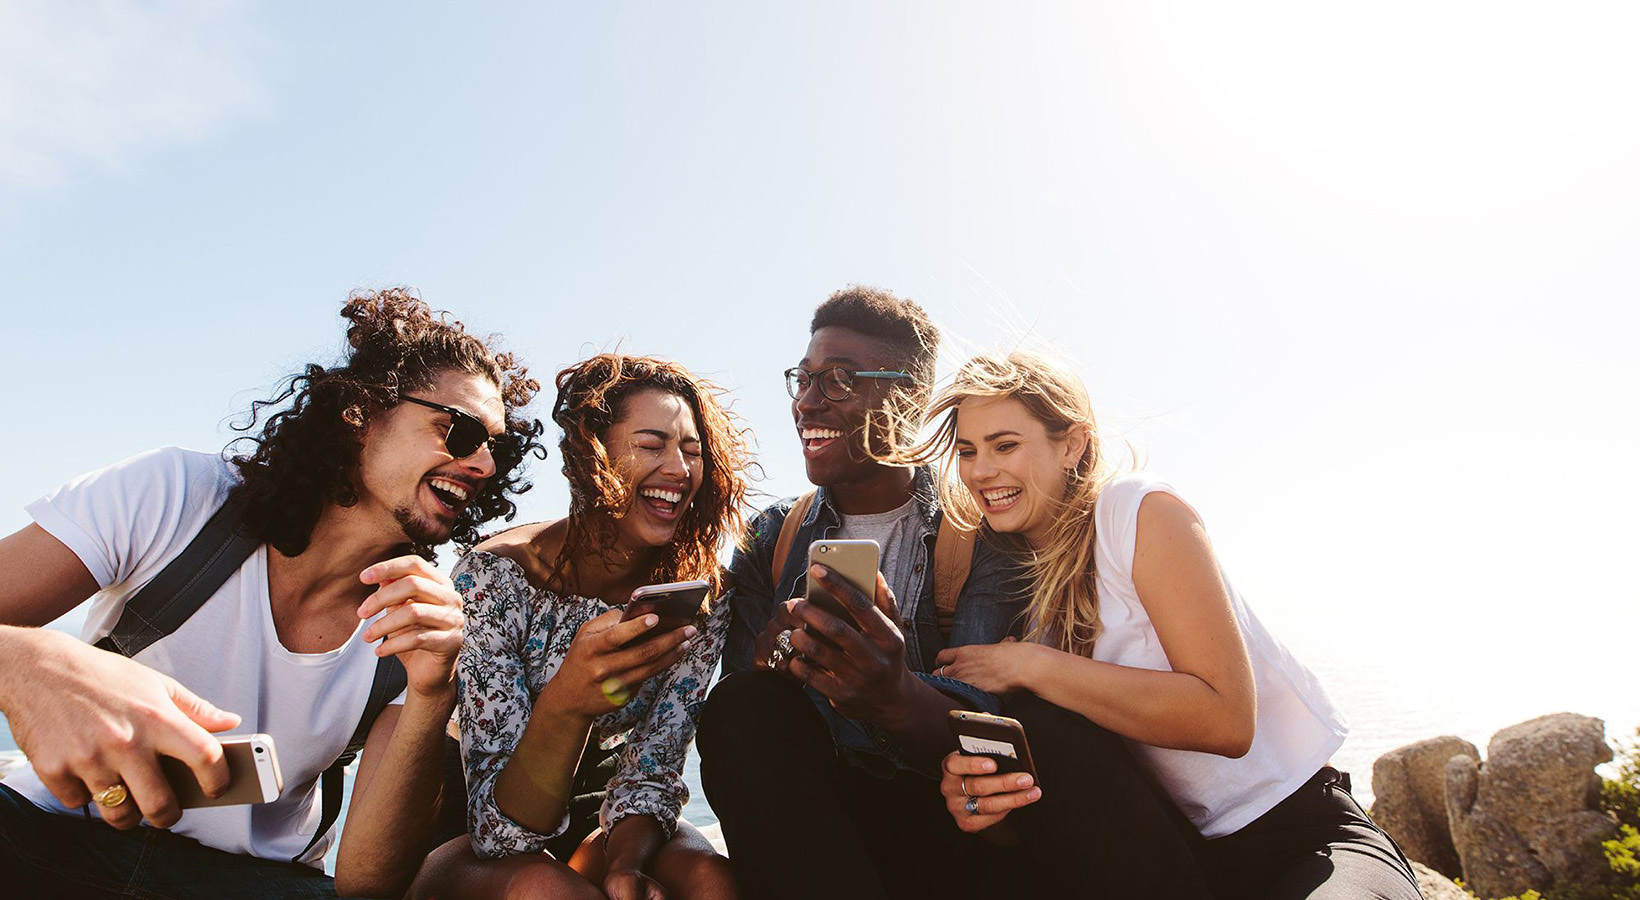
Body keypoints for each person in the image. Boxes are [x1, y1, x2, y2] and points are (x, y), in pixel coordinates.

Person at [0, 289, 544, 899]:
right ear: (360, 414)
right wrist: (31, 661)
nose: (485, 464)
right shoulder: (176, 496)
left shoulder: (423, 619)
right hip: (49, 832)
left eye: (501, 447)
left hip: (254, 882)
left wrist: (432, 692)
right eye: (460, 430)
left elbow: (366, 883)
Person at [695, 287, 1208, 900]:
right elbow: (742, 714)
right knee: (742, 707)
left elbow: (992, 725)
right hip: (825, 826)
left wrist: (891, 692)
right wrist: (774, 660)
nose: (807, 402)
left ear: (908, 398)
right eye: (802, 380)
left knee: (1037, 732)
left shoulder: (982, 531)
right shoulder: (773, 535)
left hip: (955, 818)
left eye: (838, 380)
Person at [921, 351, 1423, 899]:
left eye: (1005, 444)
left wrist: (1032, 665)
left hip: (1303, 834)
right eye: (967, 451)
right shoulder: (1014, 598)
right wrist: (982, 805)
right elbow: (1056, 799)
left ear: (1072, 443)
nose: (980, 471)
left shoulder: (1135, 510)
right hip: (1176, 856)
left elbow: (1226, 721)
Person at [408, 353, 753, 900]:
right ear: (593, 453)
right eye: (651, 445)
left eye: (692, 451)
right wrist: (568, 701)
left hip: (606, 824)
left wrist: (624, 867)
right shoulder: (497, 575)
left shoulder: (700, 595)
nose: (680, 471)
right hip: (473, 834)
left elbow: (653, 768)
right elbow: (502, 836)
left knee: (710, 879)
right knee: (550, 892)